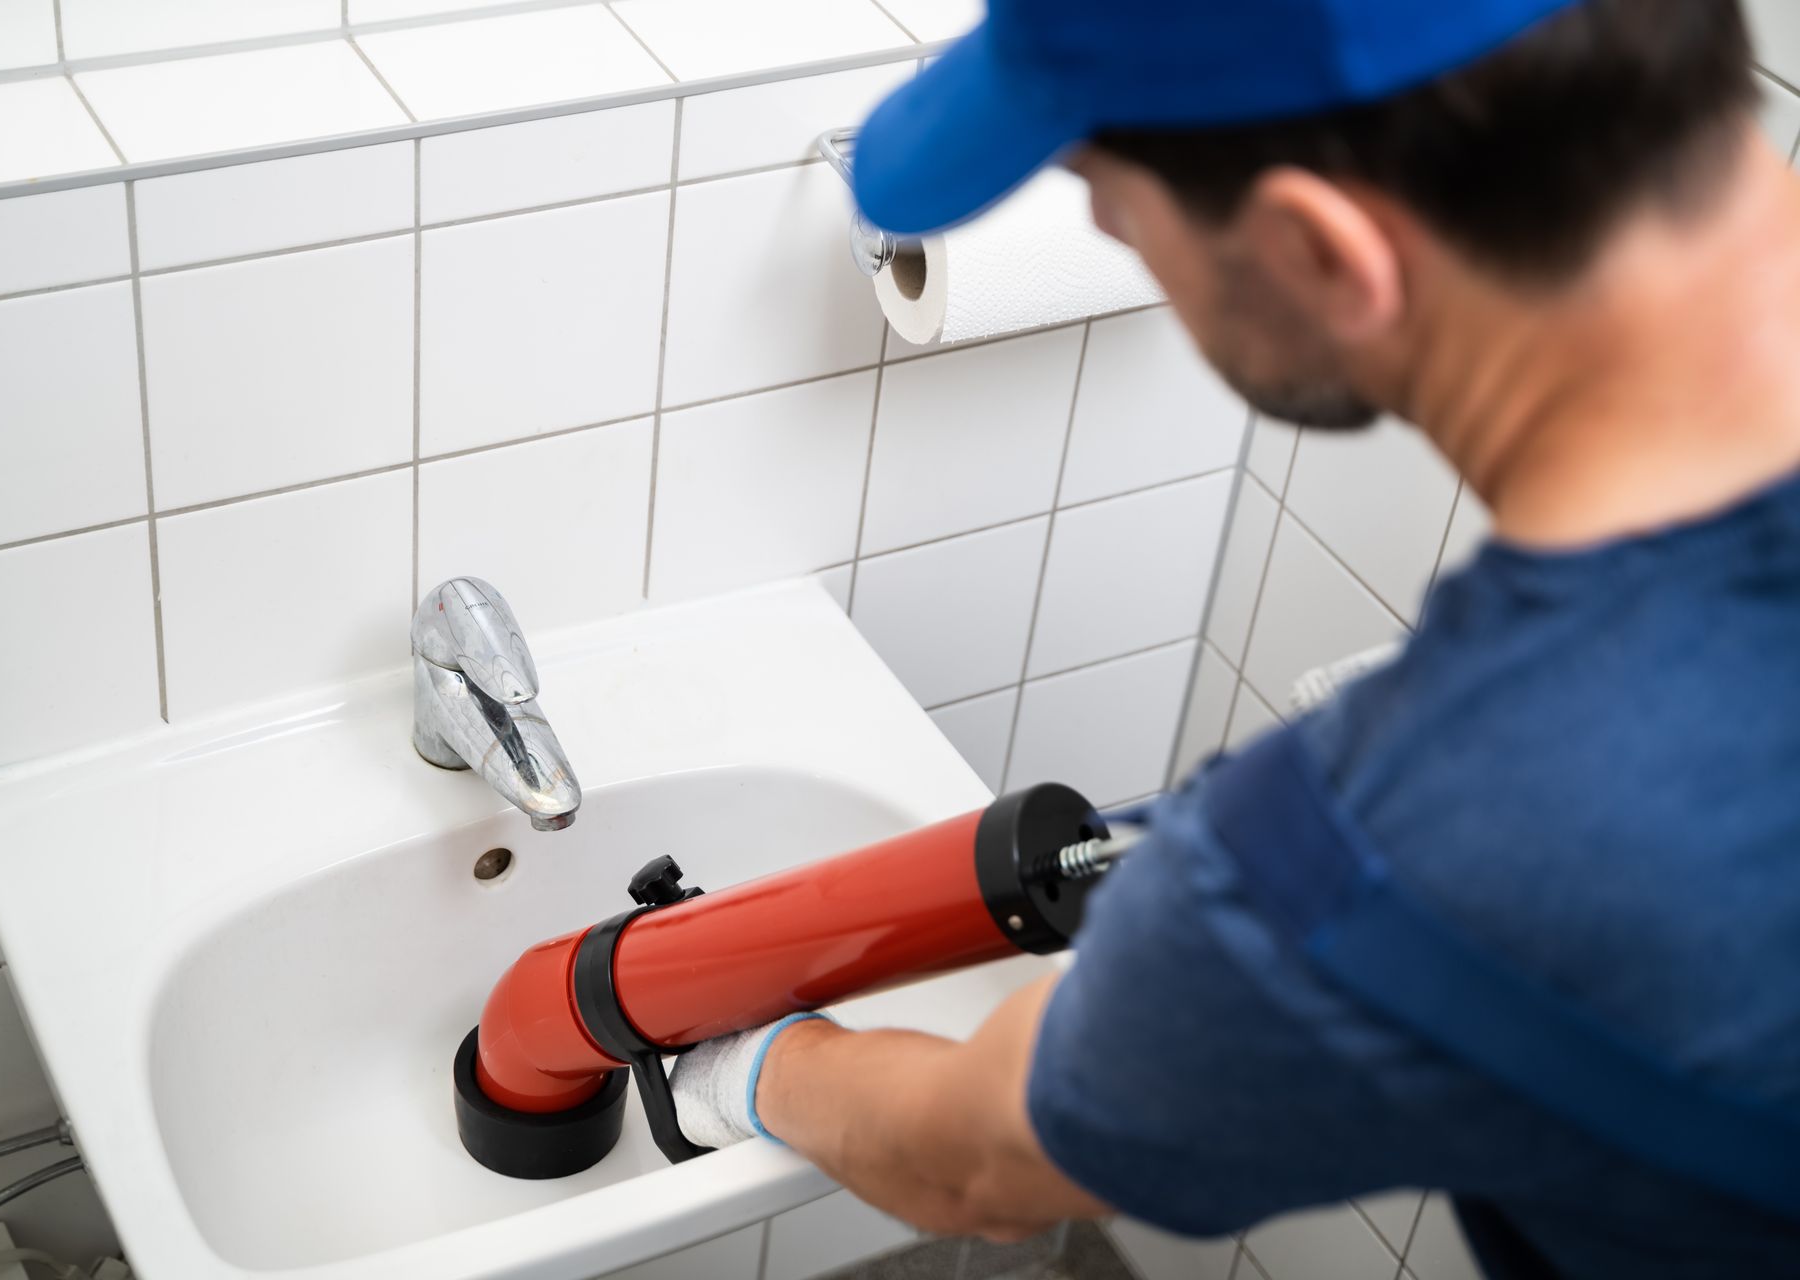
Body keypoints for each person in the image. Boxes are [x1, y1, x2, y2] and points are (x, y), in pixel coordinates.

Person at [667, 1, 1800, 1275]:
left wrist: (748, 1066)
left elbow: (968, 1156)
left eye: (1107, 192)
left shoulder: (1388, 850)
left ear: (1320, 250)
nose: (1101, 229)